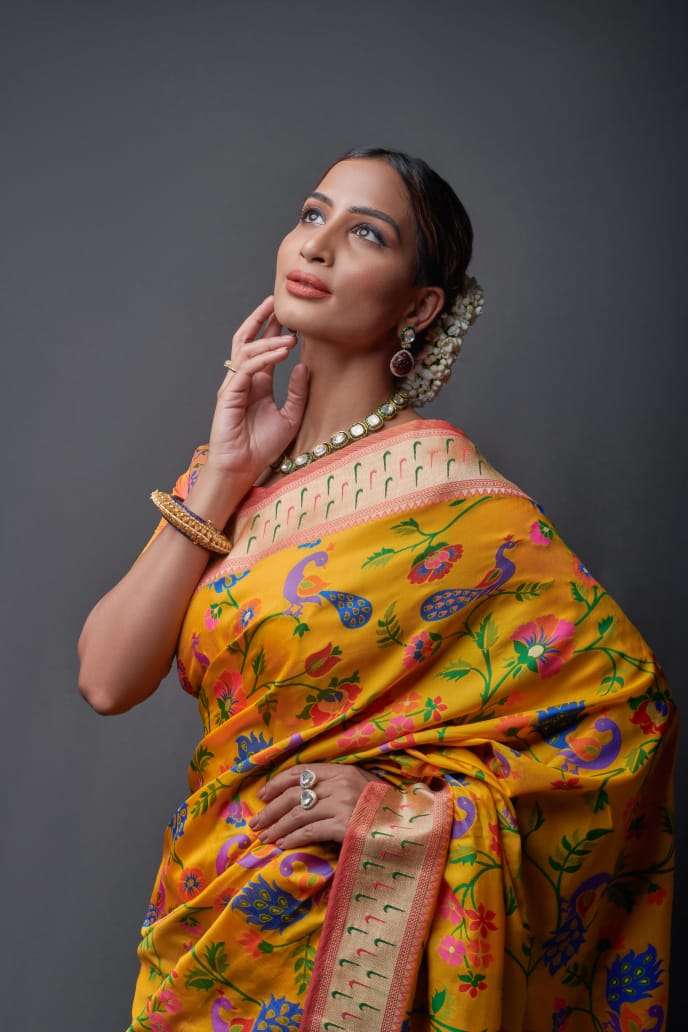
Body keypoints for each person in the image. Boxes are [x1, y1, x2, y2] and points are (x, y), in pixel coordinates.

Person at [77, 147, 677, 1032]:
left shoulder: (455, 501)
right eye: (312, 215)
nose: (316, 246)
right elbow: (105, 679)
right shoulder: (229, 475)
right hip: (209, 919)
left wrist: (402, 817)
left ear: (420, 306)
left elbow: (624, 718)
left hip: (348, 933)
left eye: (366, 234)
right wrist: (223, 477)